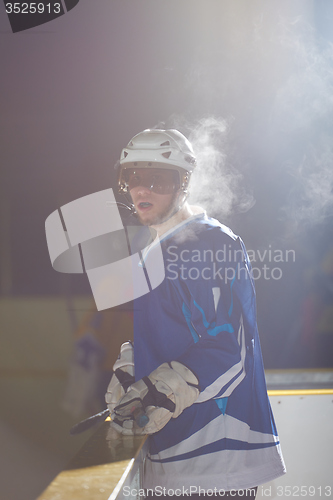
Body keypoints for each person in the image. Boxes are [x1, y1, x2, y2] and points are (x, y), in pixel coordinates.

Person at [105, 129, 286, 499]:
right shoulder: (155, 249)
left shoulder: (209, 242)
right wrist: (133, 365)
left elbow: (229, 348)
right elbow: (170, 334)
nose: (142, 189)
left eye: (158, 179)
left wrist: (161, 388)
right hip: (171, 458)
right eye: (132, 177)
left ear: (183, 182)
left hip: (216, 463)